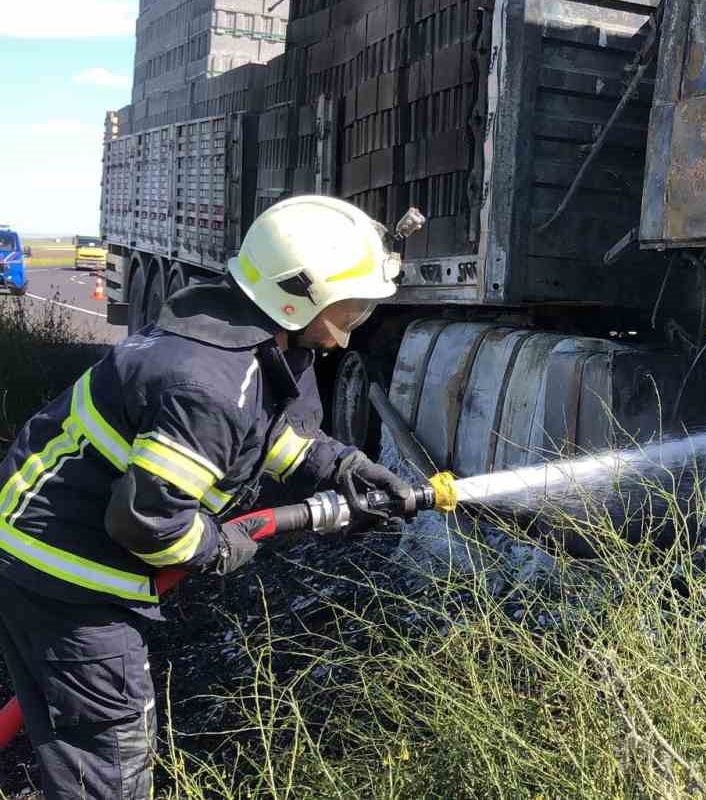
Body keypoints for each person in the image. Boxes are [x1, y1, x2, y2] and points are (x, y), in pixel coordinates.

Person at [0, 195, 413, 799]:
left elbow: (262, 436)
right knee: (108, 760)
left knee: (70, 740)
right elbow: (147, 522)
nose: (352, 334)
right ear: (299, 297)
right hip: (70, 580)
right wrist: (218, 545)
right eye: (352, 309)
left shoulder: (239, 333)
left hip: (38, 551)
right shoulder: (207, 384)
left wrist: (341, 466)